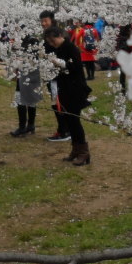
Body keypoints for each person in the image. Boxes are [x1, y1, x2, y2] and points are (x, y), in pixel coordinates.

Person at [44, 25, 93, 166]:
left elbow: (76, 68)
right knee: (68, 120)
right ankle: (76, 150)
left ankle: (84, 152)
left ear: (60, 36)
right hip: (64, 88)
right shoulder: (57, 50)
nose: (52, 44)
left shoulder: (72, 48)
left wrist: (61, 64)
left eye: (53, 40)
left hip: (75, 89)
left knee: (74, 120)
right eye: (49, 42)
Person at [40, 10, 70, 142]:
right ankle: (64, 129)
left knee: (57, 102)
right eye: (41, 21)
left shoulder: (57, 34)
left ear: (52, 20)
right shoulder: (47, 35)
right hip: (50, 73)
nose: (43, 23)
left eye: (45, 21)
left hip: (57, 75)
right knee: (56, 101)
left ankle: (64, 131)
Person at [9, 34, 42, 137]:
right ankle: (30, 125)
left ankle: (23, 127)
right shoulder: (30, 39)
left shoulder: (29, 40)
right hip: (31, 72)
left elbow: (25, 55)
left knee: (21, 99)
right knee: (30, 99)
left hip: (27, 71)